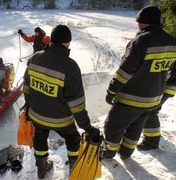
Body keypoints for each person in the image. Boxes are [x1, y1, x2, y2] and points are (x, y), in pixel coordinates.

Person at [23, 24, 100, 179]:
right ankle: (74, 170)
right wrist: (87, 127)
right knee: (73, 140)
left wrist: (28, 108)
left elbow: (26, 88)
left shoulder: (34, 58)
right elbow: (76, 104)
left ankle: (42, 169)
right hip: (61, 120)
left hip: (37, 115)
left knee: (39, 139)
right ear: (68, 42)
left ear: (51, 40)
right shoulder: (70, 67)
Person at [102, 6, 176, 159]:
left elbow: (125, 72)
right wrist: (165, 93)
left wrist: (111, 91)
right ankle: (126, 152)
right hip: (153, 99)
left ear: (145, 22)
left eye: (139, 22)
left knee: (113, 125)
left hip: (131, 97)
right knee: (136, 126)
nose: (138, 25)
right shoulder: (172, 42)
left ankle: (108, 152)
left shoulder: (141, 41)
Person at [137, 68, 176, 150]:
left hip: (168, 85)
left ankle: (151, 141)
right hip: (167, 84)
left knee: (150, 110)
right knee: (153, 109)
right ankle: (153, 136)